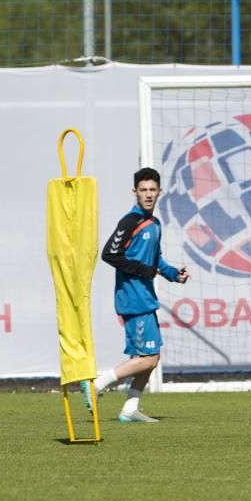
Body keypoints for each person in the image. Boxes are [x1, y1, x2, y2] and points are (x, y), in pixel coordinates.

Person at [84, 167, 189, 423]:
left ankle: (130, 409)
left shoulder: (155, 224)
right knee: (148, 357)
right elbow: (110, 254)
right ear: (135, 193)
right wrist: (144, 270)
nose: (148, 194)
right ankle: (98, 383)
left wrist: (174, 274)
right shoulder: (130, 221)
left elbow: (156, 260)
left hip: (145, 297)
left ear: (160, 192)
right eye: (143, 190)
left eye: (152, 190)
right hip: (133, 298)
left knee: (150, 359)